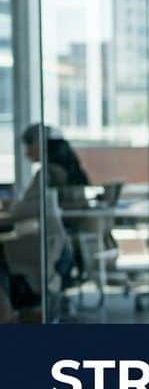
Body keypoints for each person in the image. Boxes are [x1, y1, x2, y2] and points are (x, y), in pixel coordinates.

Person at [0, 124, 87, 309]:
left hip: (49, 250)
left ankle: (8, 313)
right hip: (61, 248)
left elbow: (22, 212)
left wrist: (10, 209)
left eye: (28, 145)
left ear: (40, 145)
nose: (26, 152)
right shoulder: (63, 170)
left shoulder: (47, 174)